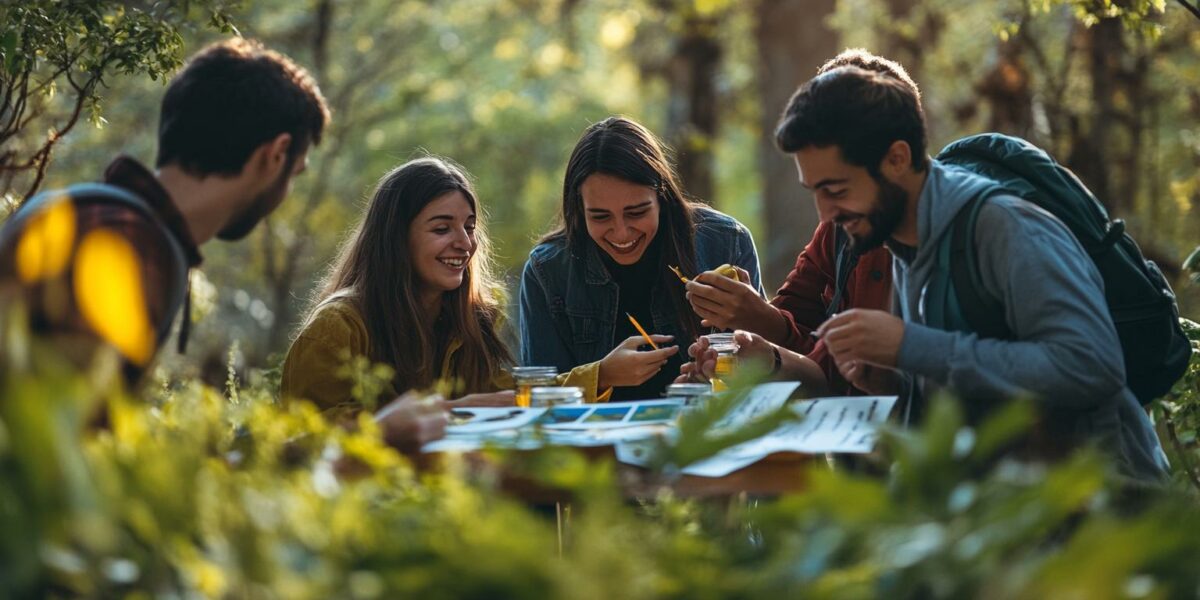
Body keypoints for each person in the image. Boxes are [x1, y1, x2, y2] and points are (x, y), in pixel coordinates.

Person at [0, 38, 441, 448]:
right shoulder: (124, 243)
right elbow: (57, 460)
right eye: (296, 172)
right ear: (275, 155)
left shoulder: (100, 217)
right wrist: (367, 440)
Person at [773, 64, 1168, 481]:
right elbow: (970, 382)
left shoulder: (1005, 227)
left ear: (897, 159)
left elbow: (1091, 366)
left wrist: (911, 345)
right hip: (1001, 512)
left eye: (836, 191)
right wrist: (892, 381)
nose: (826, 213)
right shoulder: (905, 240)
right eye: (814, 192)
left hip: (1098, 513)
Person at [678, 49, 901, 395]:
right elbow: (801, 329)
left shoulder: (909, 239)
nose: (825, 211)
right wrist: (746, 338)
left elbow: (837, 375)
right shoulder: (836, 230)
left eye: (838, 185)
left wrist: (766, 344)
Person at [283, 157, 573, 416]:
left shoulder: (465, 322)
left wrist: (603, 373)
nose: (465, 243)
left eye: (469, 227)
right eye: (441, 228)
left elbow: (506, 396)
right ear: (396, 239)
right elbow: (308, 435)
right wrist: (447, 409)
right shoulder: (337, 326)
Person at [520, 116, 765, 402]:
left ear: (662, 196)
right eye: (600, 216)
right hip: (594, 443)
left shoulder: (726, 242)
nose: (621, 232)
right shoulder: (547, 271)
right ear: (578, 207)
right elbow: (537, 398)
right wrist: (602, 375)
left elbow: (766, 368)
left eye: (636, 212)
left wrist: (742, 328)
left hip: (704, 437)